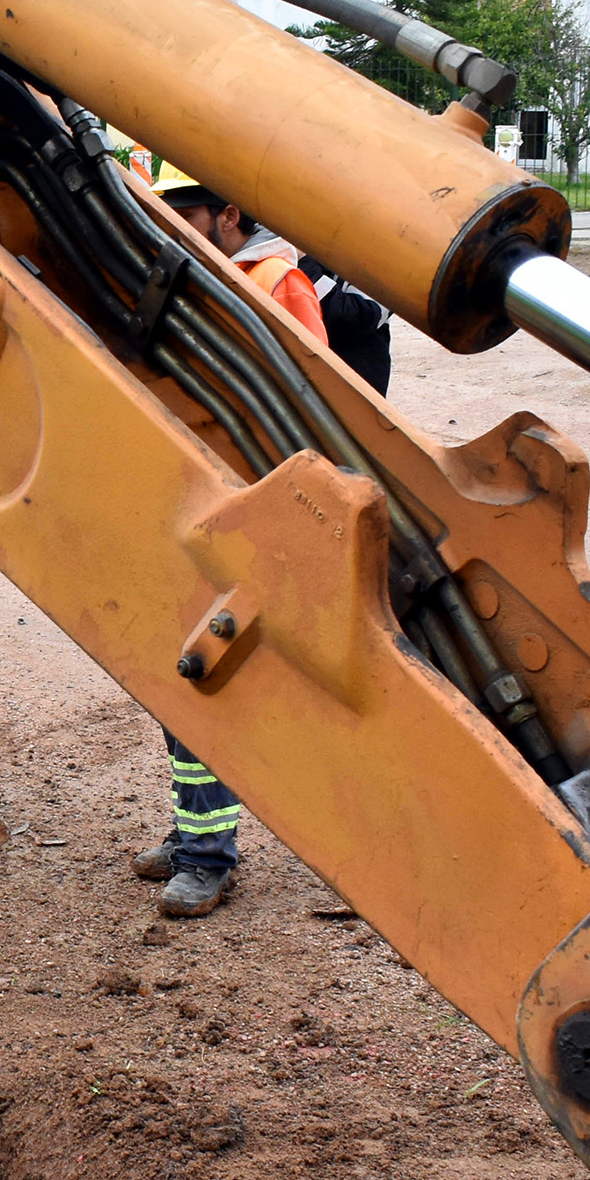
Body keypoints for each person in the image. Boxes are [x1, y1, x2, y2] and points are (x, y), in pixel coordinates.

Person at [130, 162, 395, 917]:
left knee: (210, 672)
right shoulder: (192, 273)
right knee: (177, 676)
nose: (175, 225)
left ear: (231, 213)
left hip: (247, 517)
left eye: (188, 211)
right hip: (197, 502)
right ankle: (194, 836)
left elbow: (306, 409)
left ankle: (208, 855)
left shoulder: (276, 281)